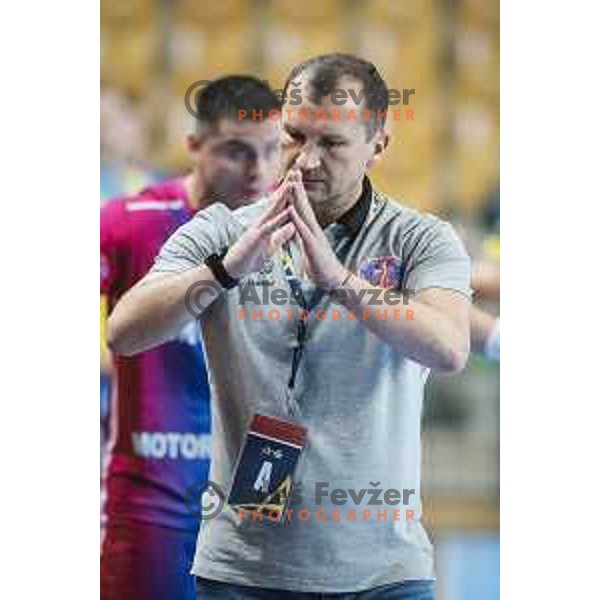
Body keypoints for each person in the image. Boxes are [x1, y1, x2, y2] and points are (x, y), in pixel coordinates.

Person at [108, 54, 471, 599]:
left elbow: (448, 347)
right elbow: (125, 332)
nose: (306, 160)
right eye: (296, 137)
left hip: (384, 574)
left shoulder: (421, 239)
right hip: (243, 571)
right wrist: (226, 270)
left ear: (378, 145)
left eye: (332, 143)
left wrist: (340, 281)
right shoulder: (223, 231)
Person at [100, 75, 282, 600]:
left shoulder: (295, 232)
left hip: (255, 503)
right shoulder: (130, 222)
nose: (258, 171)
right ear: (194, 146)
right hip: (152, 503)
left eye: (272, 152)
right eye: (236, 152)